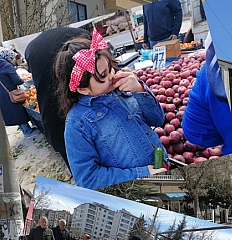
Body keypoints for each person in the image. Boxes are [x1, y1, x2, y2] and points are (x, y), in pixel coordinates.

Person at [54, 30, 168, 190]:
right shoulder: (77, 124)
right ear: (82, 89)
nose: (112, 76)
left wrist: (140, 90)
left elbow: (157, 120)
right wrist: (140, 174)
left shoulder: (123, 89)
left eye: (110, 69)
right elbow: (88, 178)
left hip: (163, 164)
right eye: (103, 75)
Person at [25, 27, 92, 169]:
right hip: (87, 114)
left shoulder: (30, 48)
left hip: (53, 120)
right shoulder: (80, 34)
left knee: (77, 168)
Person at [0, 48, 34, 137]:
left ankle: (26, 130)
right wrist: (23, 79)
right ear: (8, 56)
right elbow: (17, 80)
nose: (13, 60)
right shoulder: (6, 65)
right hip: (11, 92)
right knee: (18, 112)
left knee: (14, 113)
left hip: (3, 94)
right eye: (13, 58)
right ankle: (28, 132)